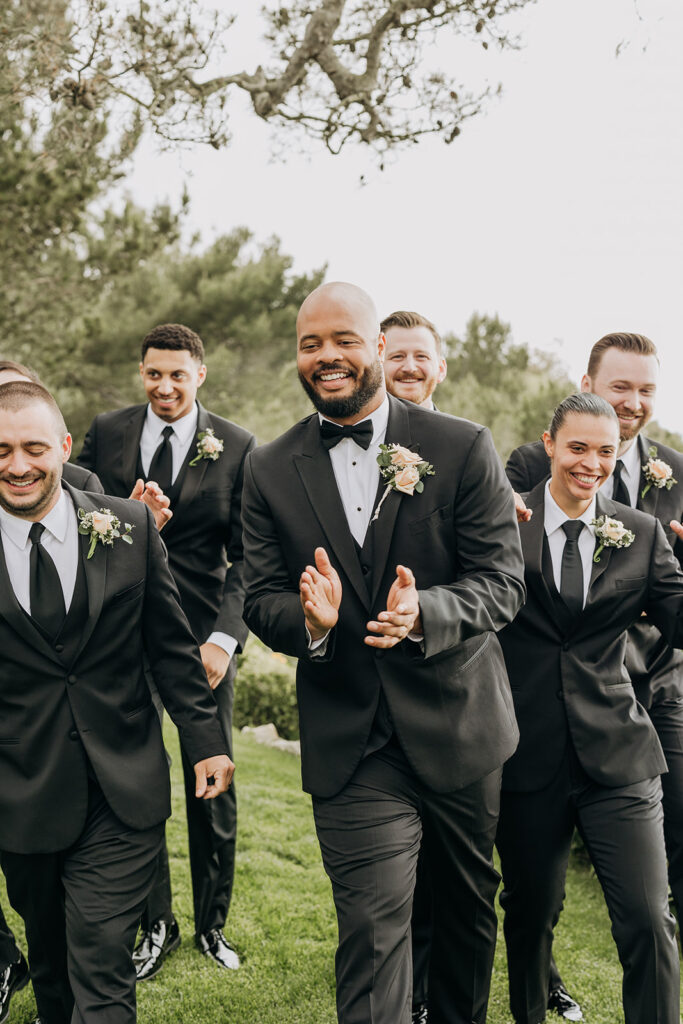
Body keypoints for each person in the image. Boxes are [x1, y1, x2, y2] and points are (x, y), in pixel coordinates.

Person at [241, 281, 525, 1024]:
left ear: (375, 348)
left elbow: (501, 582)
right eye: (309, 345)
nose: (326, 357)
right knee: (372, 930)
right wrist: (311, 622)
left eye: (342, 341)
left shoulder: (460, 447)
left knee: (464, 919)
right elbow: (257, 598)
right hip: (350, 736)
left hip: (458, 725)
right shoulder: (268, 467)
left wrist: (425, 611)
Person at [0, 380, 232, 1024]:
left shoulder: (127, 527)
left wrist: (205, 740)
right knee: (51, 963)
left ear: (65, 447)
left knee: (101, 960)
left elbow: (171, 649)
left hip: (121, 784)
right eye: (1, 450)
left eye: (33, 448)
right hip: (19, 788)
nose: (18, 465)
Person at [382, 310, 582, 1024]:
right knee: (393, 885)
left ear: (440, 370)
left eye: (420, 357)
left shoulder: (469, 450)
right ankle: (405, 999)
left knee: (461, 881)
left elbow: (497, 575)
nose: (408, 366)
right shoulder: (326, 452)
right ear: (377, 361)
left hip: (458, 694)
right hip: (373, 703)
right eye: (395, 354)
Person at [497, 391, 683, 1024]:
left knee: (648, 920)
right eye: (577, 448)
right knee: (529, 919)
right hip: (525, 757)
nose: (592, 464)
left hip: (620, 753)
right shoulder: (503, 522)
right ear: (548, 445)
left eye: (606, 451)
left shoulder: (642, 533)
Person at [77, 323, 255, 979]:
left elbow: (248, 559)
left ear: (199, 375)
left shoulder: (236, 445)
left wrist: (222, 639)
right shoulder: (109, 430)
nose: (164, 386)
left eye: (177, 374)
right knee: (133, 781)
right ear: (141, 373)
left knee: (212, 782)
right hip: (121, 633)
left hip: (201, 638)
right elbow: (79, 516)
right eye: (154, 373)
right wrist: (120, 513)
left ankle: (212, 925)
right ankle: (156, 921)